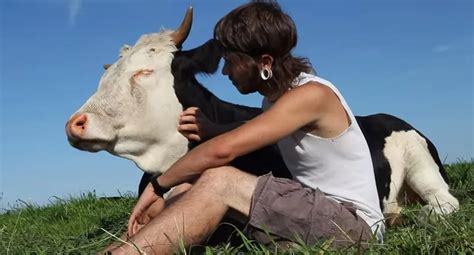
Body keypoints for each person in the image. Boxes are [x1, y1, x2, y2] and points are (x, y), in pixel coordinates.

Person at [110, 1, 384, 254]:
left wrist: (156, 186)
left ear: (264, 63)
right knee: (185, 190)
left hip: (353, 228)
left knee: (220, 180)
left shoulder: (311, 95)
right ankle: (120, 247)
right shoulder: (276, 100)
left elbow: (222, 152)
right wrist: (212, 130)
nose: (226, 71)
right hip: (318, 214)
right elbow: (251, 127)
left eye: (231, 61)